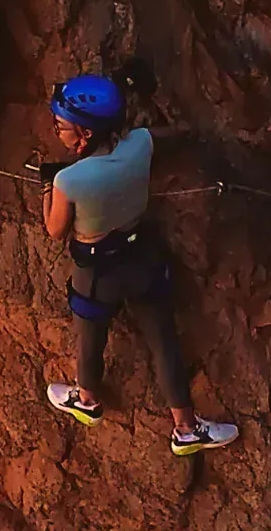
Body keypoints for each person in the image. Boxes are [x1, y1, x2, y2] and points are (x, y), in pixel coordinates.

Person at [40, 72, 239, 457]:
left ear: (82, 133)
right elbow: (175, 133)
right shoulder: (140, 145)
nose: (56, 131)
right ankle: (185, 428)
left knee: (90, 339)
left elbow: (55, 231)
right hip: (141, 259)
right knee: (164, 342)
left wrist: (47, 188)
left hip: (96, 274)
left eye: (61, 126)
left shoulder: (70, 179)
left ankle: (87, 400)